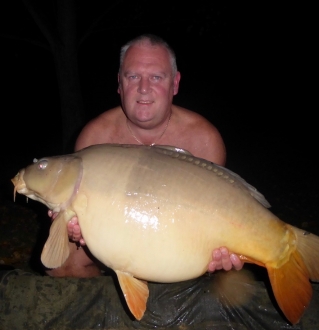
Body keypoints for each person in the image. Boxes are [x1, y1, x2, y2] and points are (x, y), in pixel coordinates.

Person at [46, 34, 244, 277]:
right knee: (61, 262)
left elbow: (216, 217)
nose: (143, 88)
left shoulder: (203, 140)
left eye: (156, 77)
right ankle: (102, 309)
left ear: (175, 83)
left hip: (182, 241)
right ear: (119, 83)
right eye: (133, 76)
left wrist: (224, 251)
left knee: (231, 278)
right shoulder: (94, 138)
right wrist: (75, 227)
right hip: (116, 237)